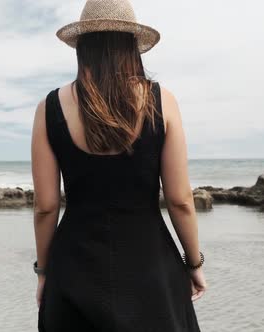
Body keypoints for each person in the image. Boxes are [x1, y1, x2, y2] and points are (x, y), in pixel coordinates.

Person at [31, 0, 207, 331]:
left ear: (82, 47)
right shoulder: (161, 100)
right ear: (131, 45)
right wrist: (194, 262)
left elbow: (45, 206)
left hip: (73, 271)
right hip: (151, 270)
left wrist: (44, 272)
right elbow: (181, 199)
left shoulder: (49, 107)